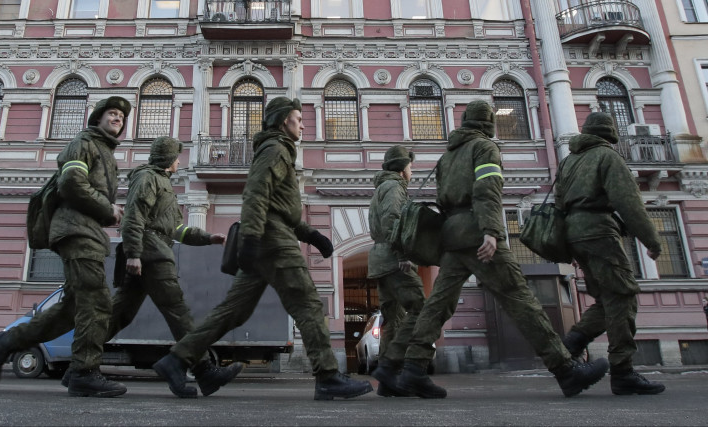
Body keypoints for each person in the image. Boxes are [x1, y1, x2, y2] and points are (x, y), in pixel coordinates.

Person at [380, 100, 609, 399]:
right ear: (488, 123)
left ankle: (413, 370)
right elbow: (487, 189)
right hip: (478, 233)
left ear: (464, 121)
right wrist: (491, 231)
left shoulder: (447, 156)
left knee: (436, 306)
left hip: (452, 237)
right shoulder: (485, 148)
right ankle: (565, 370)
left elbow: (445, 198)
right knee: (520, 299)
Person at [152, 97, 373, 401]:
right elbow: (256, 194)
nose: (303, 124)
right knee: (308, 304)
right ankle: (328, 375)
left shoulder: (279, 150)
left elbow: (280, 206)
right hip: (274, 241)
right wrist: (254, 239)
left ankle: (177, 360)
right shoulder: (276, 149)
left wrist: (311, 235)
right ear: (284, 121)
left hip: (269, 237)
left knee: (233, 312)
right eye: (298, 118)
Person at [0, 97, 130, 397]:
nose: (117, 118)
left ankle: (4, 343)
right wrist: (108, 209)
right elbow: (71, 183)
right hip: (76, 231)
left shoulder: (106, 151)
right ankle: (84, 372)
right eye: (111, 113)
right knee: (97, 301)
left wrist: (107, 210)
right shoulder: (83, 143)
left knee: (71, 309)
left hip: (85, 231)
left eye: (121, 116)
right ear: (97, 118)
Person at [102, 136, 242, 397]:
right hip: (151, 253)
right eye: (177, 155)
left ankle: (80, 363)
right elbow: (133, 216)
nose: (180, 160)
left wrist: (208, 238)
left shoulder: (163, 182)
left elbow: (176, 229)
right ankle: (203, 370)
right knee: (178, 311)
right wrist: (133, 254)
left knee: (119, 314)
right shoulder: (147, 178)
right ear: (168, 158)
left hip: (151, 250)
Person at [556, 112, 665, 395]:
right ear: (610, 135)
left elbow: (559, 203)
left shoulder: (568, 161)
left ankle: (571, 345)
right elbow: (628, 202)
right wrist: (651, 240)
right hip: (599, 232)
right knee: (623, 296)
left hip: (575, 235)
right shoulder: (608, 157)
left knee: (607, 299)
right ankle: (623, 371)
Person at [367, 145, 426, 397]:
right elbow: (393, 219)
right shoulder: (394, 187)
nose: (412, 171)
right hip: (393, 259)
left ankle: (387, 382)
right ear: (403, 169)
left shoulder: (381, 187)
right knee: (422, 310)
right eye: (410, 167)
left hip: (380, 260)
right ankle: (398, 369)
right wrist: (403, 254)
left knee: (394, 320)